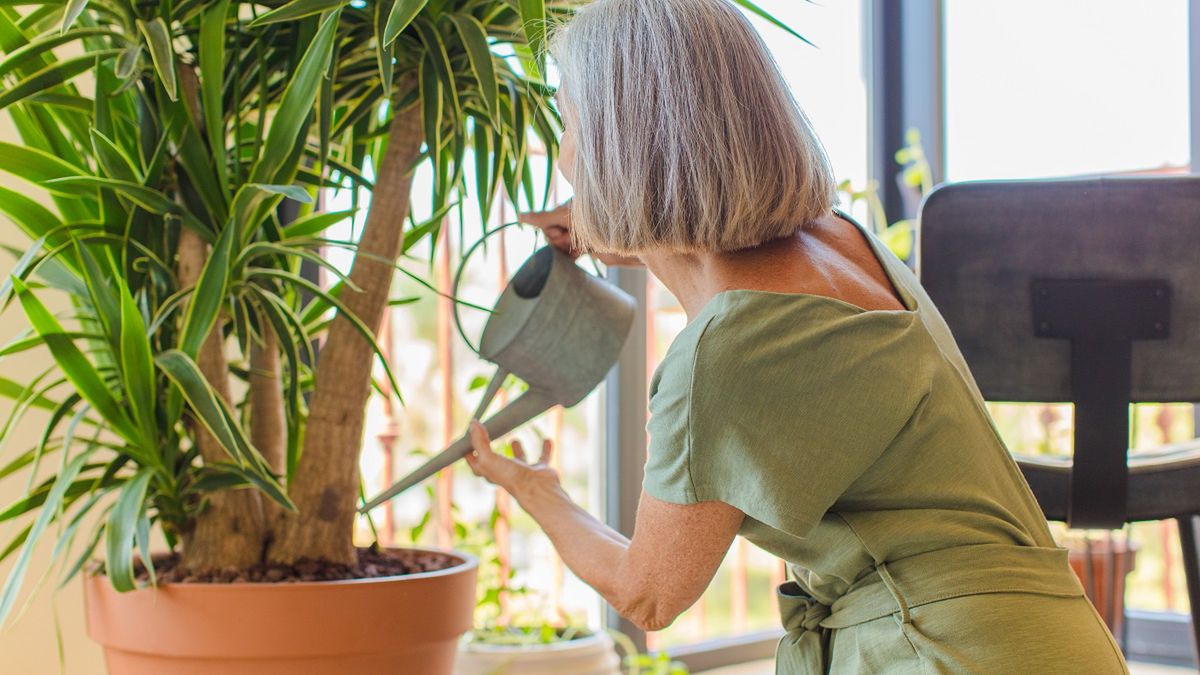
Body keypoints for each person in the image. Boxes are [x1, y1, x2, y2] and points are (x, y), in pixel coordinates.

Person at [464, 0, 1128, 672]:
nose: (565, 153)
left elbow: (649, 593)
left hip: (941, 651)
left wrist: (539, 491)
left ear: (617, 148)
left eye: (569, 122)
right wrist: (610, 225)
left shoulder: (724, 353)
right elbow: (713, 256)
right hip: (1053, 638)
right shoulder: (848, 242)